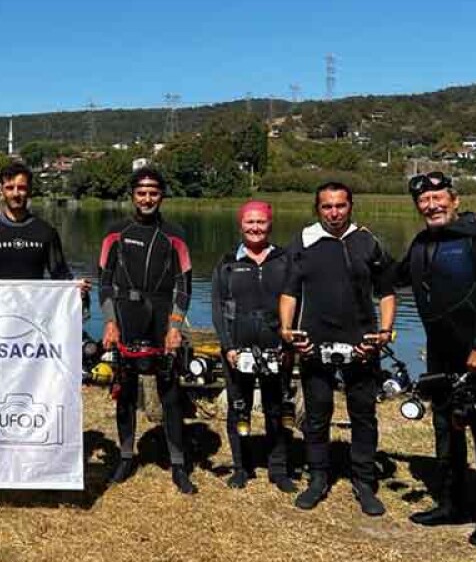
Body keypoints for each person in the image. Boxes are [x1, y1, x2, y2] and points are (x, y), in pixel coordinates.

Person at [397, 172, 476, 547]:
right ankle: (451, 503)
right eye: (424, 201)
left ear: (455, 199)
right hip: (441, 352)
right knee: (446, 426)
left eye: (438, 197)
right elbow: (389, 277)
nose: (431, 205)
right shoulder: (421, 243)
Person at [279, 182, 396, 516]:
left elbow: (387, 290)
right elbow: (289, 291)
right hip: (314, 340)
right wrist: (287, 330)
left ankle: (364, 481)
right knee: (317, 415)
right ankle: (317, 478)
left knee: (363, 415)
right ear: (318, 209)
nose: (334, 213)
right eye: (327, 207)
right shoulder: (304, 241)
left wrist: (385, 331)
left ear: (351, 206)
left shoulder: (367, 241)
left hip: (362, 342)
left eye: (340, 206)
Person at [98, 166, 196, 494]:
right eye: (141, 192)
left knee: (170, 394)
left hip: (161, 320)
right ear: (133, 196)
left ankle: (178, 464)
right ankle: (126, 457)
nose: (147, 198)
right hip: (125, 318)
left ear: (162, 196)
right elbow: (104, 282)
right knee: (125, 393)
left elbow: (184, 285)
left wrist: (175, 326)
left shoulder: (175, 233)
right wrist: (110, 322)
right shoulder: (116, 232)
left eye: (153, 192)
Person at [211, 200, 297, 493]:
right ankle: (241, 467)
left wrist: (290, 346)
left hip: (276, 345)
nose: (255, 228)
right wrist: (228, 346)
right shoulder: (227, 263)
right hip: (238, 347)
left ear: (270, 225)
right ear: (241, 225)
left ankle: (279, 469)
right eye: (250, 222)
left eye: (261, 222)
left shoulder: (285, 260)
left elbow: (296, 304)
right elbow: (218, 308)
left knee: (277, 407)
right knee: (239, 408)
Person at [0, 162, 75, 281]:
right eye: (10, 188)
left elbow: (61, 275)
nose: (15, 194)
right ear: (1, 190)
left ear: (30, 190)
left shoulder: (47, 232)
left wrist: (78, 290)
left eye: (21, 188)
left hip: (33, 300)